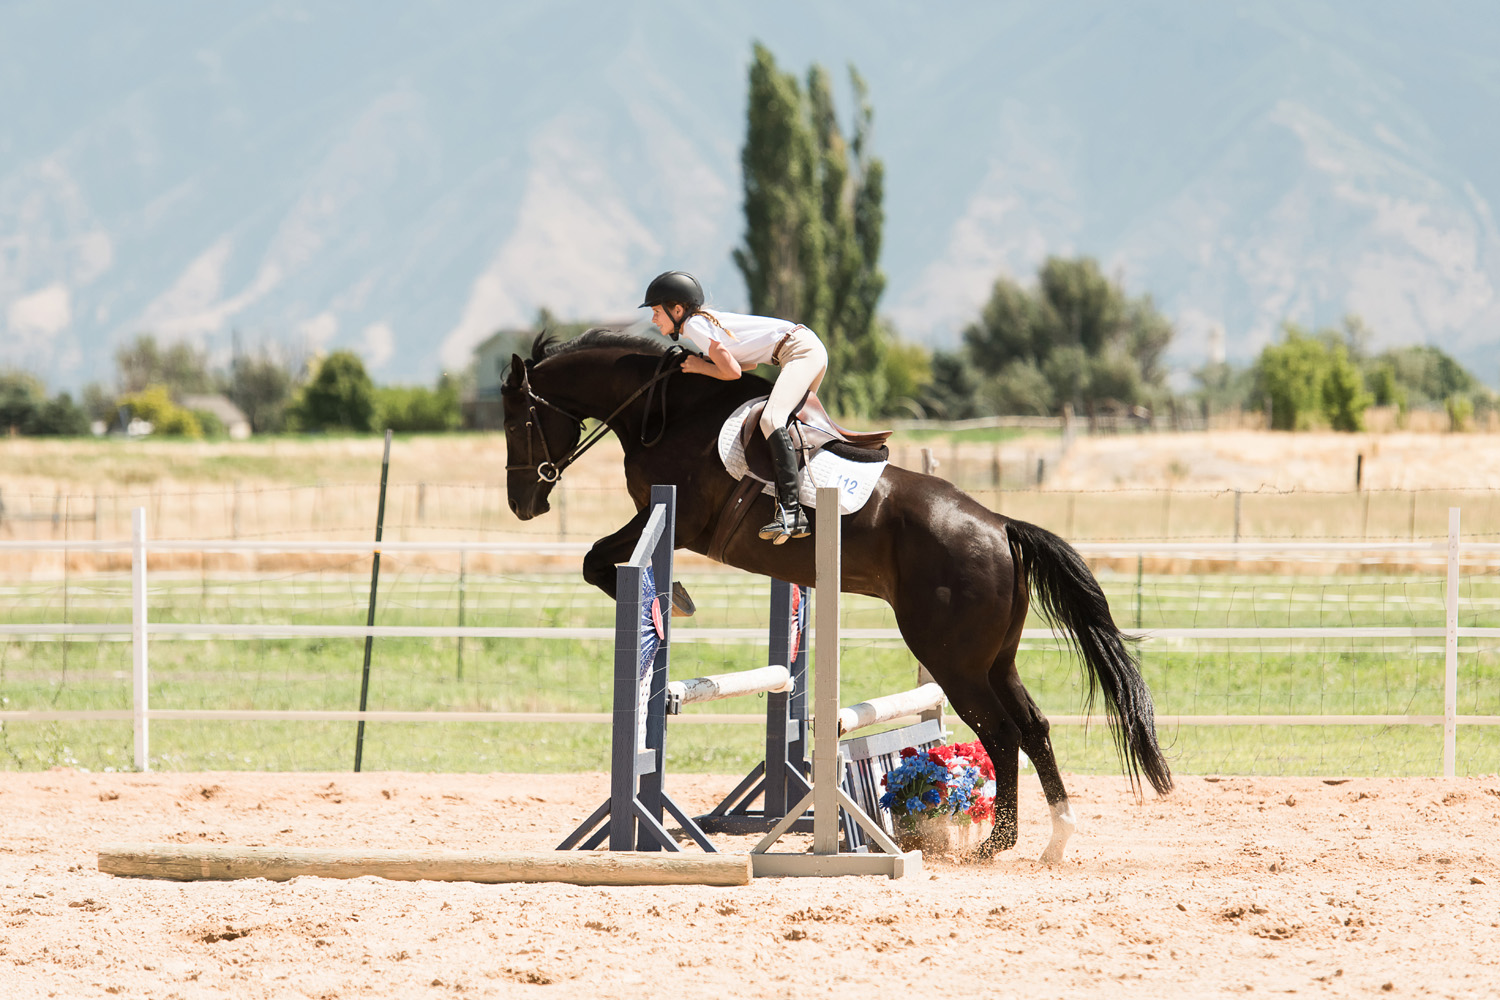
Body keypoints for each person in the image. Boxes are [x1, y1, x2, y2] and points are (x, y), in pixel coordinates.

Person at [639, 270, 828, 544]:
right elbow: (746, 364)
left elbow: (733, 373)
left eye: (657, 311)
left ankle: (790, 510)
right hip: (803, 347)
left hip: (799, 351)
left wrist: (700, 366)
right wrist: (708, 362)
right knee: (793, 426)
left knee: (771, 419)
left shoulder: (694, 326)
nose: (653, 318)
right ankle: (804, 498)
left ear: (677, 310)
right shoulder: (704, 324)